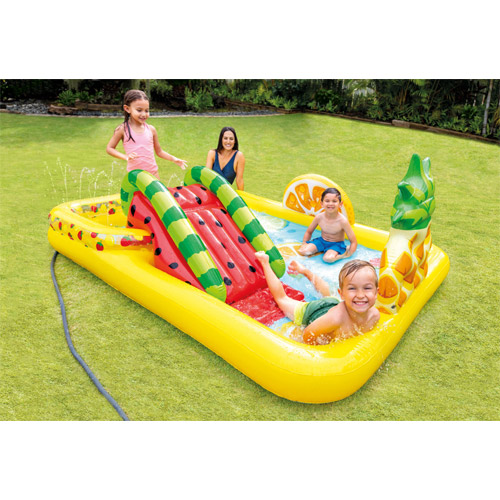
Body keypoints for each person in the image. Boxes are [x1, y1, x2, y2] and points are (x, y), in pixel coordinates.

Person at [255, 252, 380, 345]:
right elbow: (307, 335)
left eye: (367, 288)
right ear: (342, 294)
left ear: (376, 293)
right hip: (313, 312)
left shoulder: (374, 316)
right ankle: (265, 262)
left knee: (329, 295)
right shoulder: (334, 319)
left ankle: (305, 271)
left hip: (335, 303)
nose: (360, 295)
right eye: (352, 288)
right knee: (282, 299)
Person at [106, 89, 187, 179]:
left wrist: (174, 159)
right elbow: (109, 148)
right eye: (139, 110)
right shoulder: (122, 129)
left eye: (147, 110)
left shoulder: (151, 129)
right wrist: (125, 156)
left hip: (153, 173)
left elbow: (159, 152)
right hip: (135, 176)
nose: (144, 114)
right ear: (127, 109)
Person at [298, 187, 357, 263]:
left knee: (328, 259)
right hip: (322, 241)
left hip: (336, 244)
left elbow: (353, 241)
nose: (330, 204)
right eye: (327, 201)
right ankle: (322, 249)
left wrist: (349, 254)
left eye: (334, 201)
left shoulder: (343, 221)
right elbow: (309, 232)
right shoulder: (319, 217)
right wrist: (304, 243)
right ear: (322, 204)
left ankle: (342, 254)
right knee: (303, 251)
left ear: (340, 204)